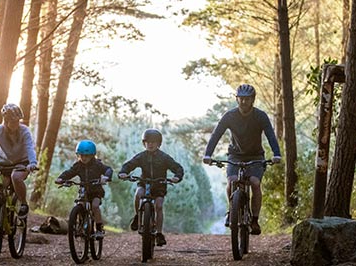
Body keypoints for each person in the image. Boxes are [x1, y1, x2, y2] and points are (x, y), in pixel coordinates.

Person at [202, 84, 281, 235]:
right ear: (237, 99)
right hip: (235, 155)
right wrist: (208, 154)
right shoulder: (230, 116)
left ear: (253, 100)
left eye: (247, 99)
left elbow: (270, 135)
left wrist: (276, 154)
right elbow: (216, 134)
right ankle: (232, 210)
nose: (243, 102)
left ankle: (255, 220)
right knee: (232, 181)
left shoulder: (260, 116)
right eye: (241, 99)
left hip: (256, 156)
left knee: (255, 183)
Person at [118, 129, 184, 247]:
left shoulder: (164, 157)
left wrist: (177, 177)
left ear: (159, 144)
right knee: (138, 194)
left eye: (153, 142)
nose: (150, 144)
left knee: (158, 205)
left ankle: (159, 233)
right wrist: (123, 172)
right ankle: (138, 216)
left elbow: (178, 168)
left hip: (159, 185)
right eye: (147, 142)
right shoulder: (141, 156)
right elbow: (129, 165)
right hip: (144, 182)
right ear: (144, 143)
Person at [55, 140, 113, 238]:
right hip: (84, 190)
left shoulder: (97, 165)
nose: (84, 158)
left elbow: (108, 169)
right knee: (79, 204)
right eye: (81, 155)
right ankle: (81, 224)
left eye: (87, 156)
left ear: (92, 155)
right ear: (78, 155)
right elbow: (69, 172)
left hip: (96, 191)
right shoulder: (78, 166)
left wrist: (106, 177)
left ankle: (99, 229)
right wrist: (61, 178)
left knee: (94, 206)